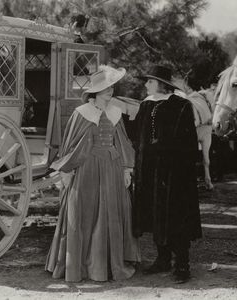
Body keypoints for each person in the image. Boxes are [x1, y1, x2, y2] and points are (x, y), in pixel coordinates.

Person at [45, 65, 140, 282]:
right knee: (84, 212)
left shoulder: (116, 112)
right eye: (106, 89)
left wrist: (127, 169)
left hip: (112, 168)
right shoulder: (82, 113)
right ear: (95, 92)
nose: (110, 91)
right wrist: (66, 171)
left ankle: (107, 264)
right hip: (87, 168)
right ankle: (81, 265)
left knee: (111, 212)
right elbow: (70, 144)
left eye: (111, 88)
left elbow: (122, 142)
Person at [132, 65, 202, 284]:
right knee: (154, 214)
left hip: (174, 175)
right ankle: (163, 258)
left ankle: (182, 264)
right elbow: (137, 136)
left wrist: (182, 171)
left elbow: (189, 142)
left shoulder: (181, 105)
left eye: (150, 81)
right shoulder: (146, 106)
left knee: (176, 218)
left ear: (161, 84)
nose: (145, 85)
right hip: (149, 172)